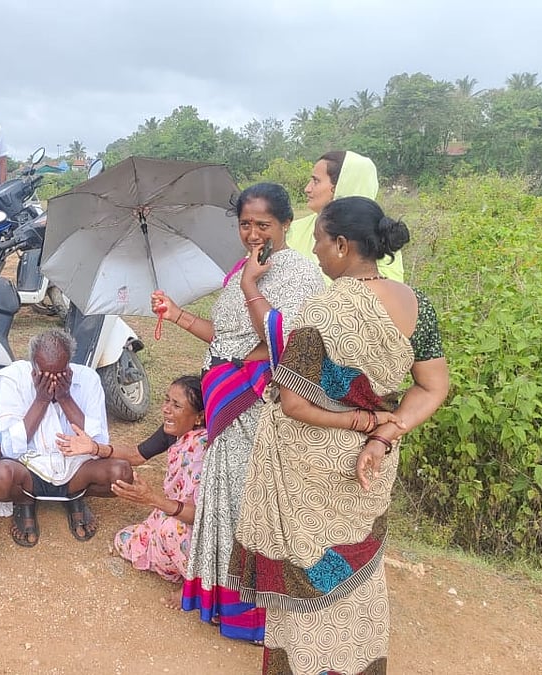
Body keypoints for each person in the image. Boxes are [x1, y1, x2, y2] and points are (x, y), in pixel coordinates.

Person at [227, 196, 449, 672]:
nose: (318, 252)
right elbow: (434, 386)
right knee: (360, 582)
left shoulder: (322, 311)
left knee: (305, 588)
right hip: (370, 470)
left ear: (343, 245)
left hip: (311, 469)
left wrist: (363, 422)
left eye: (321, 242)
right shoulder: (417, 304)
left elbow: (293, 402)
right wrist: (385, 434)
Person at [151, 182, 324, 641]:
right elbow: (223, 337)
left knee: (254, 508)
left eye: (262, 224)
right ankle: (223, 602)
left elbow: (278, 341)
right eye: (245, 224)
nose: (252, 233)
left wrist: (251, 284)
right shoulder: (241, 269)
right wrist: (177, 314)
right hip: (228, 408)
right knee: (225, 504)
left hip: (261, 408)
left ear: (286, 224)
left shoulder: (300, 273)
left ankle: (261, 615)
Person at [59, 376, 207, 607]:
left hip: (201, 529)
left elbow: (203, 517)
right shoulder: (176, 428)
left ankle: (197, 585)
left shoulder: (202, 449)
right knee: (126, 541)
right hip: (176, 513)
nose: (166, 409)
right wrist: (94, 448)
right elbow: (137, 455)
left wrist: (152, 499)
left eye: (176, 405)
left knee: (170, 529)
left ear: (199, 417)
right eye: (166, 400)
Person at [0, 329, 133, 547]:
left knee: (121, 475)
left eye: (61, 374)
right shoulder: (12, 379)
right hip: (28, 470)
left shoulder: (88, 379)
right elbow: (9, 449)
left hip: (77, 471)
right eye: (45, 374)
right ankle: (25, 501)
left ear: (70, 367)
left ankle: (75, 497)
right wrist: (41, 400)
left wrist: (65, 398)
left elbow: (98, 444)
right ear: (33, 366)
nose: (53, 381)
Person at [286, 150, 404, 281]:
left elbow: (382, 294)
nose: (307, 188)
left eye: (316, 181)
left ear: (341, 186)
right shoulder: (292, 230)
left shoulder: (378, 236)